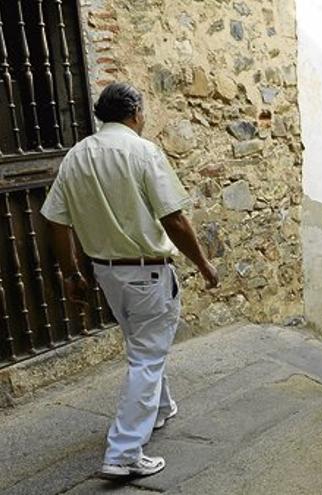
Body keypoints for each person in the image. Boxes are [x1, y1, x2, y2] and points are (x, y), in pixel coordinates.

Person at [41, 82, 219, 478]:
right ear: (135, 112)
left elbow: (55, 219)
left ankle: (159, 409)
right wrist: (204, 264)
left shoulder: (77, 156)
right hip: (147, 272)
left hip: (107, 274)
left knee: (144, 348)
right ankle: (123, 453)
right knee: (147, 356)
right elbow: (173, 218)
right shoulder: (142, 151)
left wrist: (71, 273)